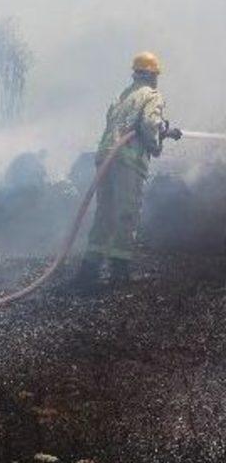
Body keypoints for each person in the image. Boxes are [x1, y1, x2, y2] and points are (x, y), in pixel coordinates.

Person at [77, 51, 181, 286]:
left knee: (105, 212)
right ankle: (119, 270)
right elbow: (149, 124)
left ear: (136, 73)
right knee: (127, 212)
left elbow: (119, 125)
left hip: (105, 158)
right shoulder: (152, 95)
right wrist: (162, 135)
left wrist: (161, 131)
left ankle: (90, 267)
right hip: (127, 160)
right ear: (153, 75)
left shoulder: (122, 96)